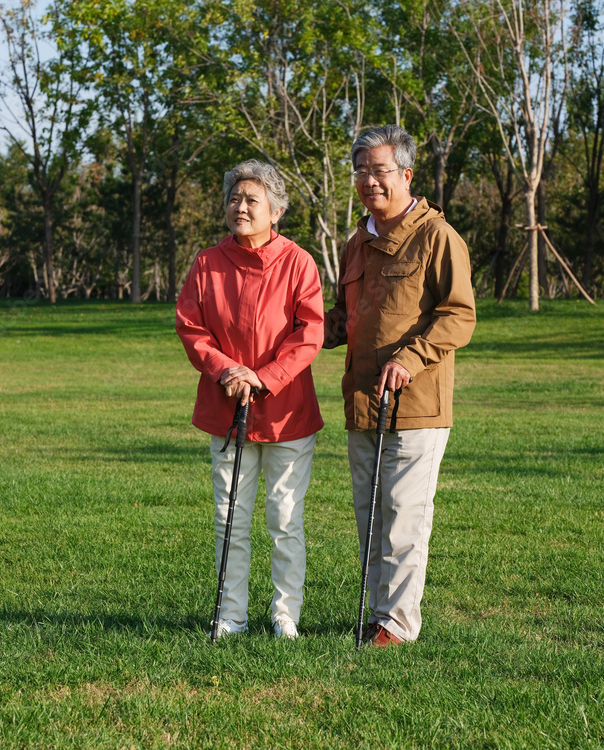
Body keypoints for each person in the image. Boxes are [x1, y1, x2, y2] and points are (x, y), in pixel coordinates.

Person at [324, 125, 476, 647]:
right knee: (370, 516)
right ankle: (379, 614)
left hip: (416, 404)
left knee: (404, 517)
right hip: (362, 401)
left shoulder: (438, 237)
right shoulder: (355, 243)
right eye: (361, 171)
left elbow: (459, 316)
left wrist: (410, 358)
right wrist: (296, 333)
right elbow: (345, 318)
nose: (369, 181)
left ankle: (397, 625)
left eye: (380, 171)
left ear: (406, 175)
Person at [176, 160, 324, 640]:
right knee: (230, 518)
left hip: (286, 413)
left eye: (251, 200)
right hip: (227, 411)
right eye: (234, 199)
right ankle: (231, 615)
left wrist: (263, 378)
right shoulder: (207, 263)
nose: (240, 207)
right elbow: (191, 328)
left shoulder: (299, 261)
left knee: (284, 520)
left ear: (276, 210)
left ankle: (286, 616)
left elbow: (310, 332)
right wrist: (227, 371)